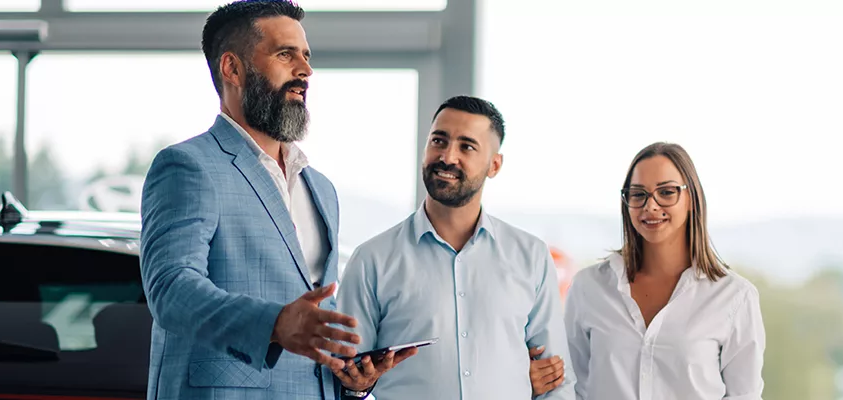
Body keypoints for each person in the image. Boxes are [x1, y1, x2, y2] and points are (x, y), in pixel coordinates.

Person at [140, 1, 408, 399]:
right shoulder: (187, 166)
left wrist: (352, 379)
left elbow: (311, 326)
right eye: (286, 54)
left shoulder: (321, 189)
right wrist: (274, 324)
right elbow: (171, 290)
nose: (305, 70)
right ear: (232, 68)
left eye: (306, 56)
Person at [336, 95, 575, 399]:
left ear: (495, 165)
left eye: (467, 146)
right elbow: (346, 376)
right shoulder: (372, 259)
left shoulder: (531, 256)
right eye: (439, 140)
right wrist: (357, 387)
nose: (448, 157)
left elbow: (557, 381)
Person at [564, 142, 765, 400]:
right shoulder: (588, 288)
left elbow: (744, 396)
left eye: (667, 192)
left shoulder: (736, 297)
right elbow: (570, 388)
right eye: (638, 194)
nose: (651, 206)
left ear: (691, 198)